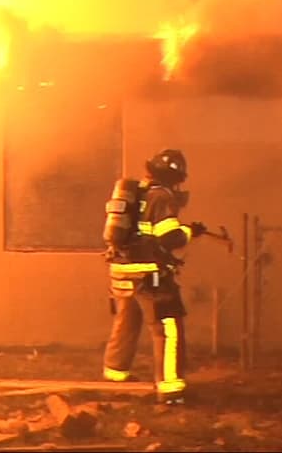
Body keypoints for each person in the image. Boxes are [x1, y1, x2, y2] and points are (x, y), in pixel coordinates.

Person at [101, 148, 207, 404]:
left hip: (121, 271)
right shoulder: (161, 197)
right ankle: (170, 389)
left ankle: (115, 375)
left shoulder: (136, 194)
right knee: (168, 328)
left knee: (126, 323)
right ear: (174, 177)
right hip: (149, 276)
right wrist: (190, 232)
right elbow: (170, 237)